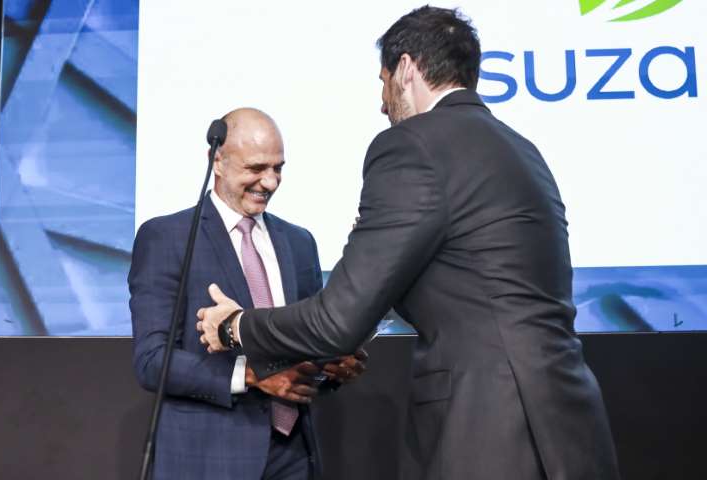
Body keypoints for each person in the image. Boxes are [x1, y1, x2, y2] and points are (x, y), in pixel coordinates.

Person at [196, 7, 620, 480]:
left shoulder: (411, 144)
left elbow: (337, 322)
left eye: (382, 82)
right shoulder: (521, 148)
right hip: (569, 420)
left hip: (489, 426)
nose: (383, 103)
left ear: (405, 69)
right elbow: (472, 285)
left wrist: (236, 326)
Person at [129, 108, 365, 480]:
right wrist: (250, 375)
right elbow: (152, 361)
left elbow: (309, 343)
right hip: (208, 458)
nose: (269, 182)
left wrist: (334, 366)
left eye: (278, 168)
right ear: (217, 161)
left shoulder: (300, 242)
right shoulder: (167, 237)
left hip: (294, 454)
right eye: (256, 168)